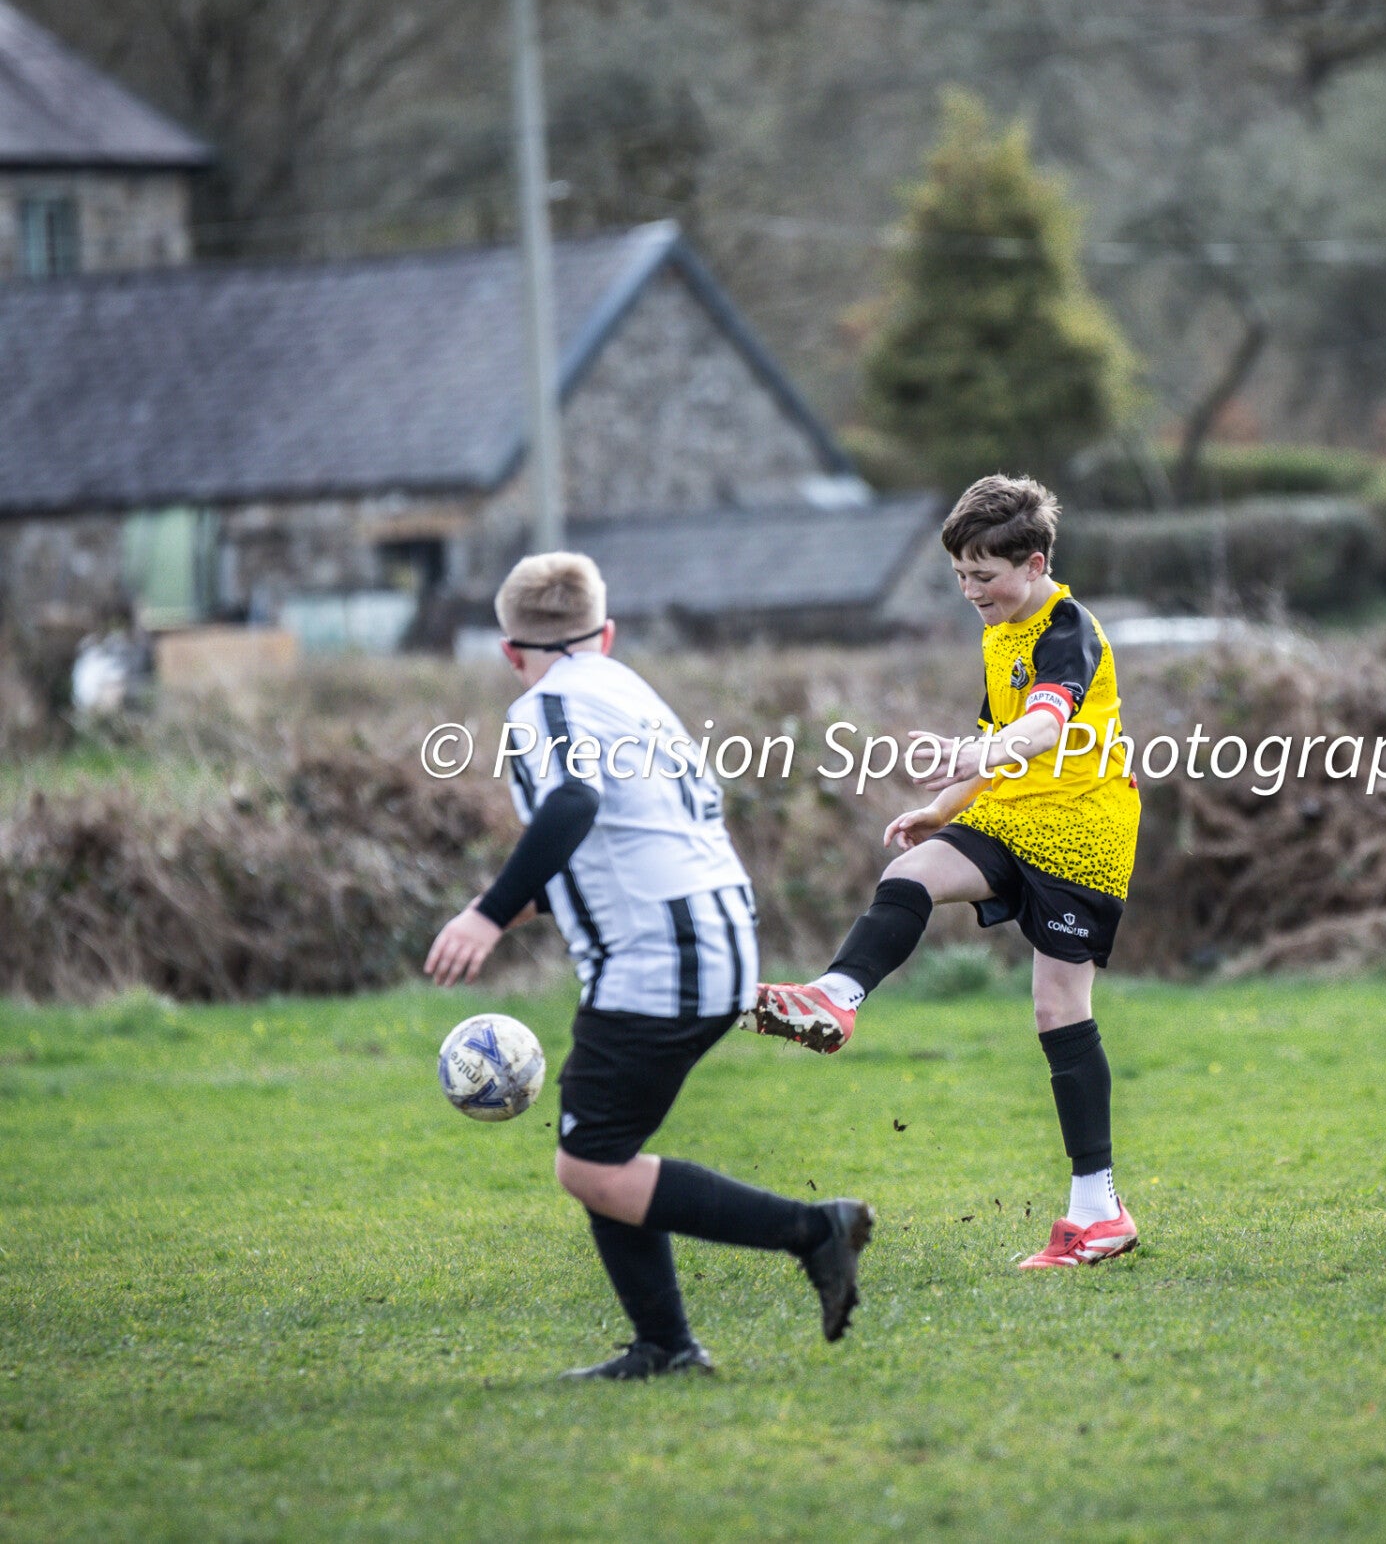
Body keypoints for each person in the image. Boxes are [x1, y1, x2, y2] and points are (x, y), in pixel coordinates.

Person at [425, 552, 873, 1379]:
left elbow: (573, 805)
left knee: (590, 1162)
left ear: (508, 650)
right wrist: (516, 911)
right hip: (718, 937)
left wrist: (485, 917)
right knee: (606, 1150)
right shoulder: (633, 695)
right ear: (607, 632)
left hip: (657, 959)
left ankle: (816, 1232)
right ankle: (664, 1345)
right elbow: (630, 841)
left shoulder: (545, 707)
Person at [742, 474, 1143, 1269]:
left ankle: (1099, 1211)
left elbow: (1039, 724)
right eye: (959, 577)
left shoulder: (1066, 627)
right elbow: (998, 731)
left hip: (1085, 833)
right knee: (913, 872)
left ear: (1032, 563)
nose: (970, 592)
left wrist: (980, 754)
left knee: (1058, 1011)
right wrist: (946, 806)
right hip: (1011, 813)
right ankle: (836, 998)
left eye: (983, 578)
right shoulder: (1000, 629)